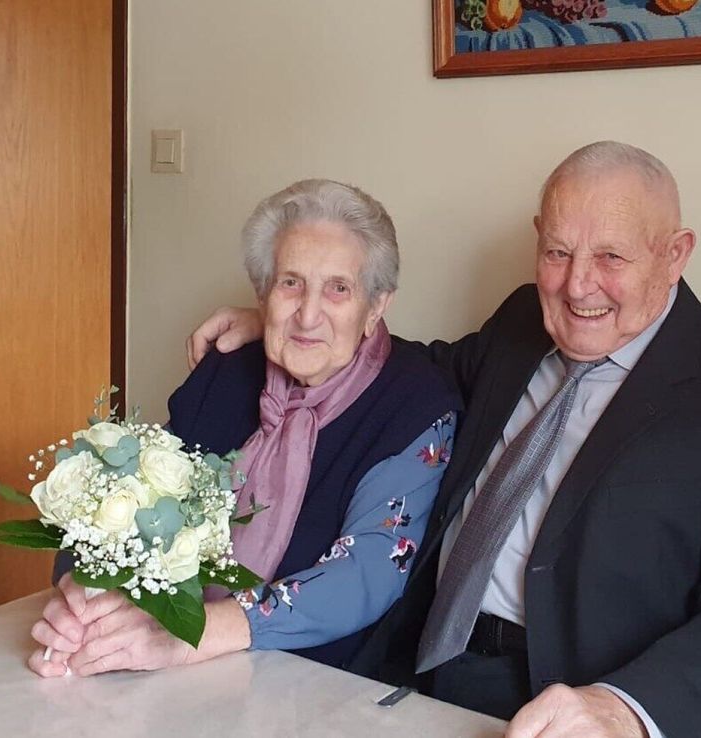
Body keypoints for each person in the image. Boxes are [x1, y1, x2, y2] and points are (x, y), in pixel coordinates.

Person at [188, 142, 701, 737]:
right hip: (418, 668)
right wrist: (300, 323)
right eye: (558, 252)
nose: (578, 285)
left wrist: (626, 709)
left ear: (675, 253)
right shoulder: (523, 321)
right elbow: (410, 370)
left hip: (578, 701)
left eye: (610, 256)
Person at [27, 179, 461, 678]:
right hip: (174, 670)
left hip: (324, 686)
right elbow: (127, 498)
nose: (308, 313)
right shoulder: (228, 371)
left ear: (378, 304)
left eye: (339, 288)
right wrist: (84, 598)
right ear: (262, 293)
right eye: (290, 283)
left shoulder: (415, 402)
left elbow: (370, 569)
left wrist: (190, 636)